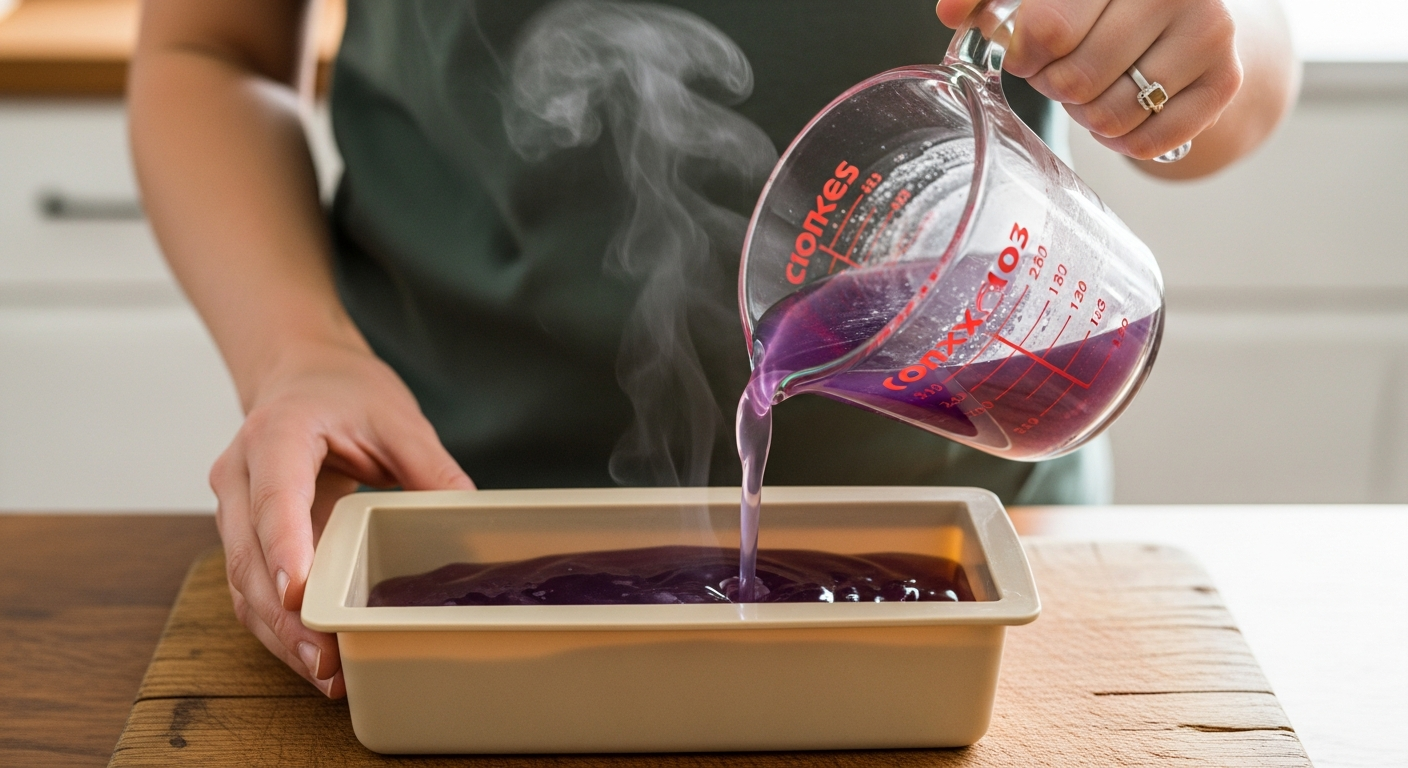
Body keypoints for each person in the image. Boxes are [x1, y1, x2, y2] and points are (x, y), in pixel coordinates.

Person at [129, 0, 1297, 697]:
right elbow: (208, 49)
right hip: (427, 499)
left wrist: (1177, 55)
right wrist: (297, 355)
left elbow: (1244, 74)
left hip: (985, 546)